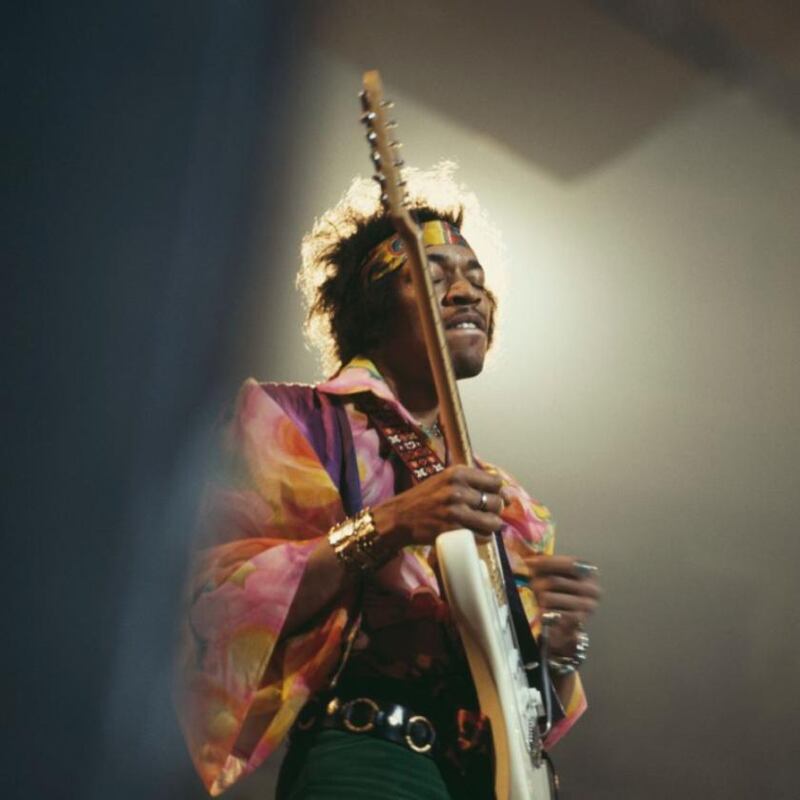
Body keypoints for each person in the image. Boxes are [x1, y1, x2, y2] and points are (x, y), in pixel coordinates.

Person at [176, 165, 602, 798]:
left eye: (476, 280)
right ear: (373, 309)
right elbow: (214, 597)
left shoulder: (507, 503)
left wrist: (556, 651)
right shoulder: (294, 422)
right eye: (432, 279)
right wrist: (388, 524)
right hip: (369, 759)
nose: (468, 294)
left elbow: (525, 710)